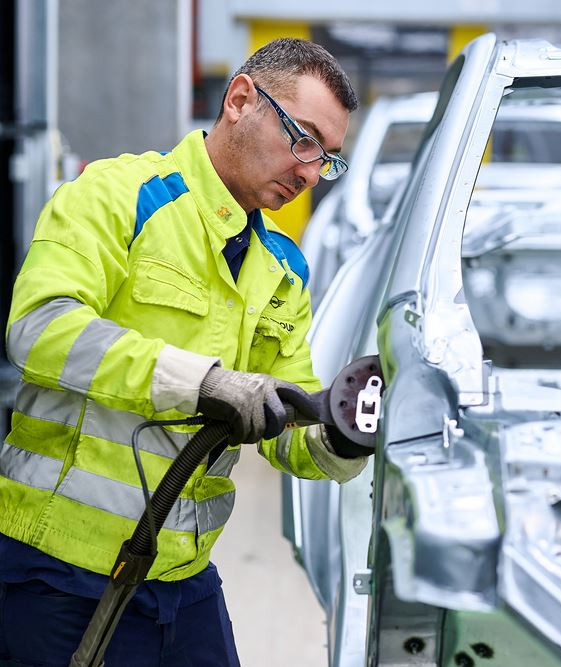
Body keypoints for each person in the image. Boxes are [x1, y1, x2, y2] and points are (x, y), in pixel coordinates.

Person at [0, 38, 366, 666]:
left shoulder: (282, 268)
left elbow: (289, 427)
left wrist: (346, 431)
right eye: (304, 140)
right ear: (240, 100)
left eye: (328, 159)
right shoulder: (117, 195)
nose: (310, 173)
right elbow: (39, 328)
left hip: (180, 577)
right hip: (59, 572)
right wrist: (201, 383)